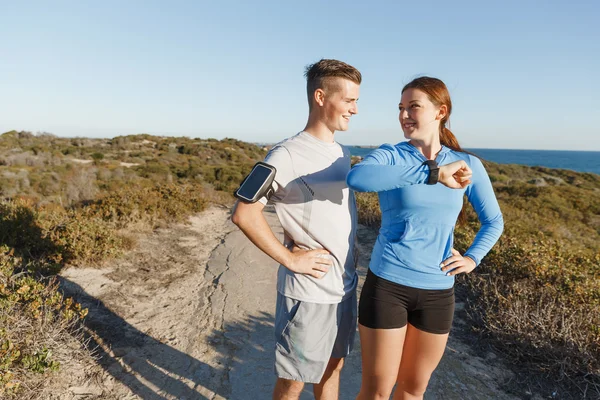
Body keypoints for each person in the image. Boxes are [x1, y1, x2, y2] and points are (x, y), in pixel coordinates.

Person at [346, 76, 504, 400]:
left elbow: (494, 221)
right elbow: (358, 178)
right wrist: (432, 173)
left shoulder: (467, 165)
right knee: (377, 391)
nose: (404, 115)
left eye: (413, 107)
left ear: (440, 111)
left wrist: (472, 258)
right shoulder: (391, 155)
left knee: (413, 391)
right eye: (401, 108)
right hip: (388, 285)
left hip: (438, 293)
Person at [231, 59, 361, 400]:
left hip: (344, 288)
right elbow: (244, 214)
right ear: (320, 97)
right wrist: (290, 259)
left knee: (332, 370)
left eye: (356, 101)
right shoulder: (285, 154)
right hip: (308, 293)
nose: (355, 109)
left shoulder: (341, 152)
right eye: (349, 100)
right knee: (295, 382)